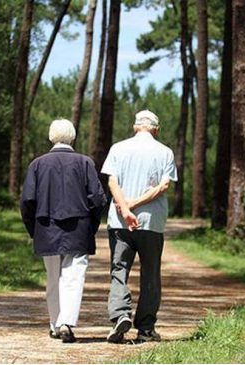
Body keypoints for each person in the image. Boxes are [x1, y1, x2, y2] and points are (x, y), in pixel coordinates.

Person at [20, 119, 107, 343]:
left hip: (46, 228)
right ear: (73, 137)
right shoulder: (85, 163)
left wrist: (34, 230)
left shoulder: (37, 165)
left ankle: (55, 323)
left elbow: (28, 201)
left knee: (53, 278)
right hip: (78, 228)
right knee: (74, 276)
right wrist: (91, 225)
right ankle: (66, 322)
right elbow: (97, 199)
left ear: (51, 137)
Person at [101, 110, 178, 343]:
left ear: (136, 127)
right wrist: (136, 204)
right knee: (151, 274)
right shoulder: (165, 152)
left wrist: (125, 208)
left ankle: (120, 316)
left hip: (119, 222)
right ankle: (145, 329)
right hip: (151, 223)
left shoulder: (118, 148)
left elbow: (111, 180)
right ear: (156, 129)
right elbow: (164, 187)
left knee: (119, 270)